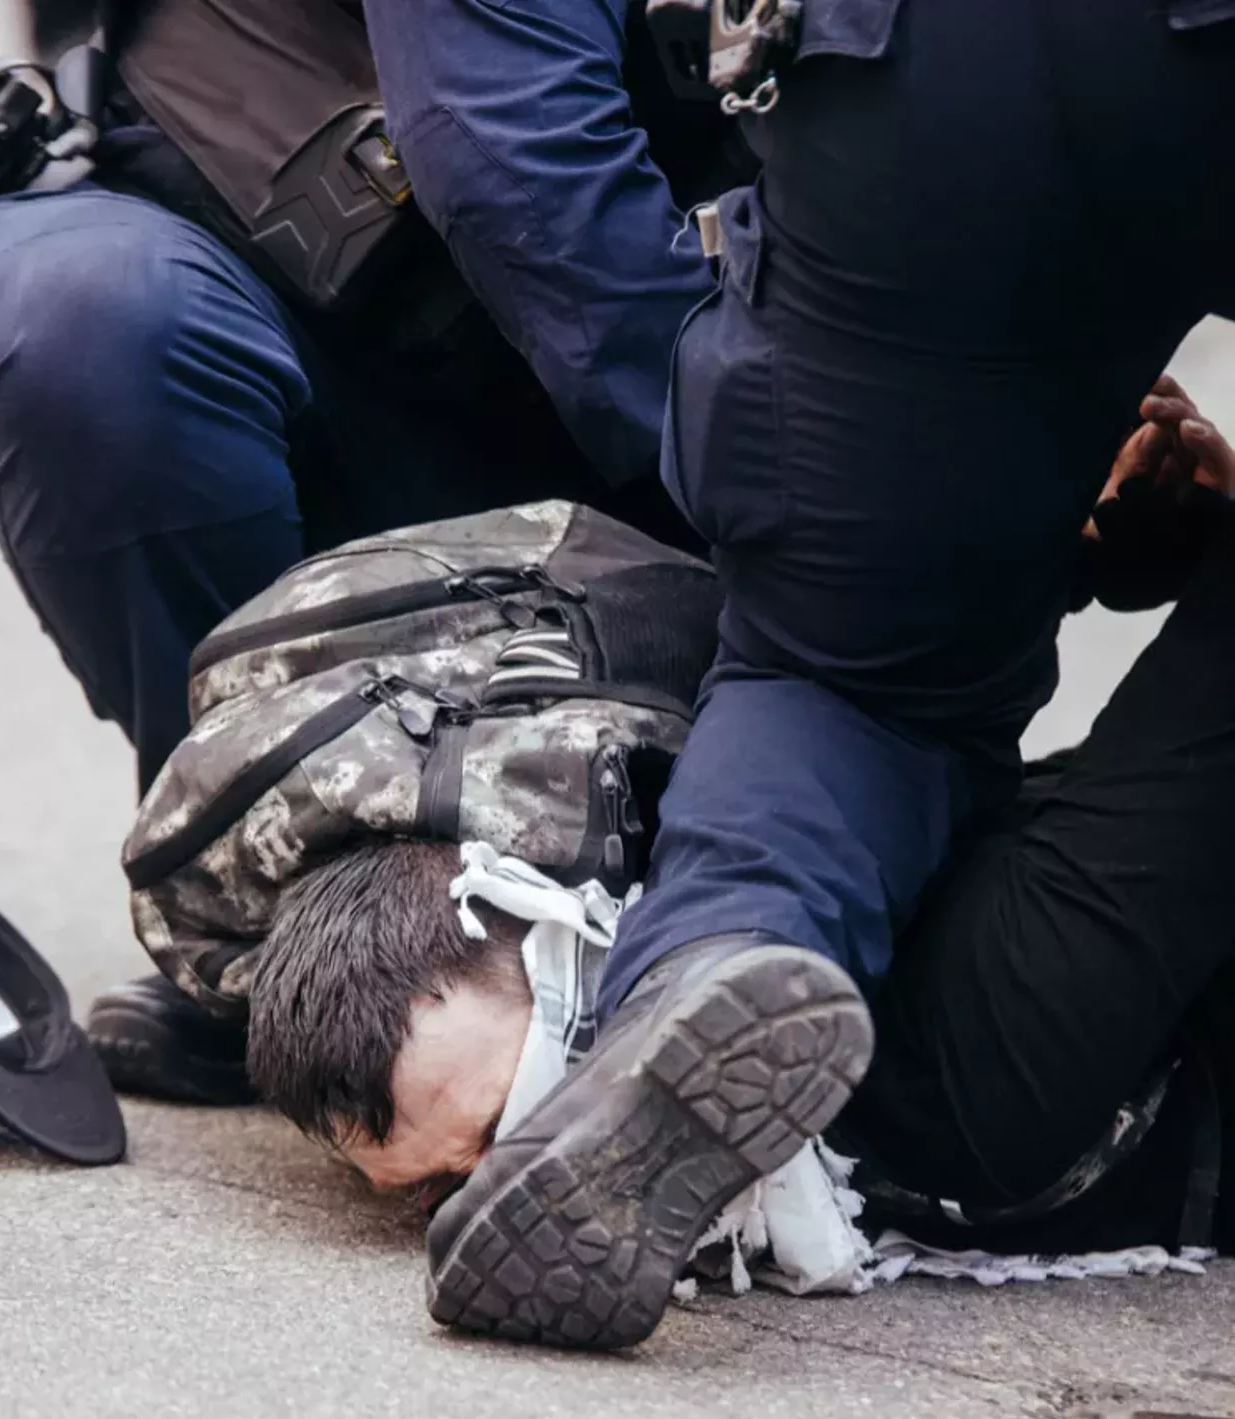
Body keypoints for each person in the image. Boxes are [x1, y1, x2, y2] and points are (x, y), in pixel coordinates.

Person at [374, 0, 1235, 1342]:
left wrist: (735, 424)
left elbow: (491, 122)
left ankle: (712, 956)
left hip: (926, 75)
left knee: (851, 680)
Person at [241, 375, 1235, 1336]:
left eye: (512, 1125)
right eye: (433, 1195)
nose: (509, 1198)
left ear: (591, 941)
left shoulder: (966, 1065)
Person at [0, 0, 729, 1104]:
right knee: (84, 321)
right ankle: (257, 896)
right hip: (229, 257)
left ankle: (566, 937)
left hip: (640, 382)